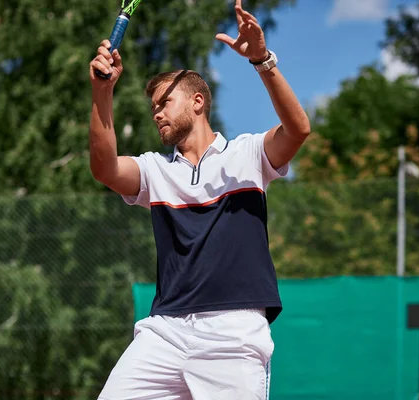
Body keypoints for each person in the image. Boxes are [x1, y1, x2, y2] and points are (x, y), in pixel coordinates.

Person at [88, 1, 310, 398]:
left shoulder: (248, 154)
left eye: (164, 103)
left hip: (233, 332)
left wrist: (262, 60)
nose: (156, 114)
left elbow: (298, 129)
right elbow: (104, 169)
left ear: (197, 102)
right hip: (165, 332)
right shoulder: (155, 169)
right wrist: (101, 92)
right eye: (152, 107)